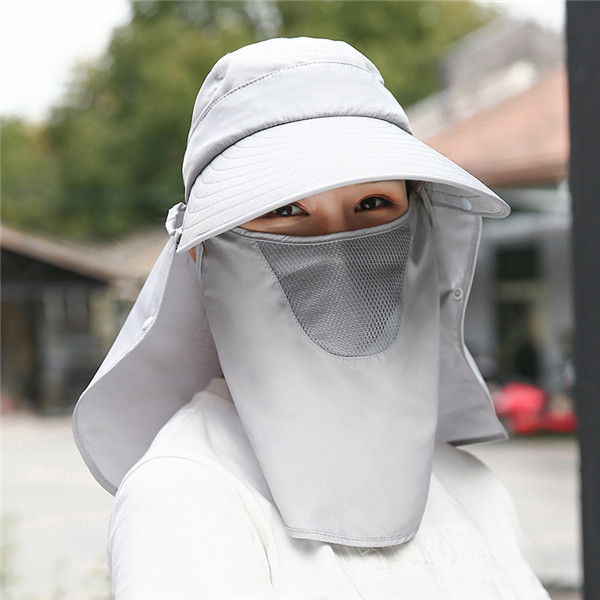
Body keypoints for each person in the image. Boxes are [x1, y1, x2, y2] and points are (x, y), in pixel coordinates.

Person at [73, 37, 550, 598]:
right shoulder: (187, 492)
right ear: (204, 252)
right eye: (286, 209)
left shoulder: (471, 486)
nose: (338, 245)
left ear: (419, 224)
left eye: (372, 204)